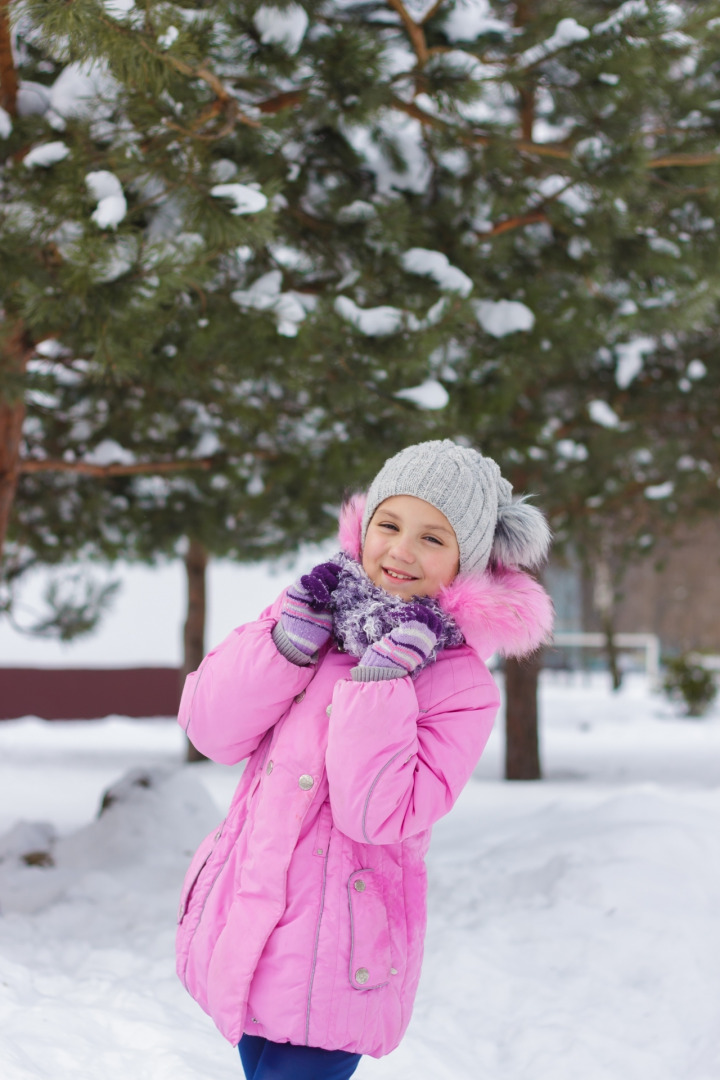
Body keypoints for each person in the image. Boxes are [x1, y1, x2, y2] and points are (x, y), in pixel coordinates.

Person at [175, 440, 553, 1079]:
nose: (402, 550)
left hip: (338, 951)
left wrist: (380, 687)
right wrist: (284, 644)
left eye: (434, 539)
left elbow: (378, 815)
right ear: (364, 525)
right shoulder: (307, 621)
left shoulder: (459, 686)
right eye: (389, 524)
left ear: (470, 563)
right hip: (250, 922)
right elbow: (211, 732)